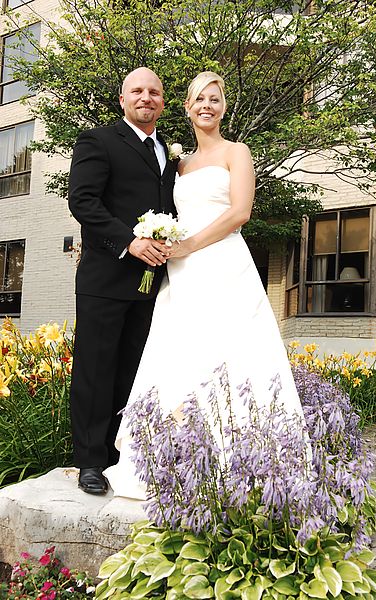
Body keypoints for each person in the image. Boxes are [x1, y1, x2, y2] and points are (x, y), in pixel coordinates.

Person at [104, 71, 306, 499]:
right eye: (199, 99)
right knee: (178, 350)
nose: (206, 106)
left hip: (222, 264)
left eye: (214, 99)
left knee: (232, 352)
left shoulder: (238, 152)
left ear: (223, 107)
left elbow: (240, 214)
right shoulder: (178, 164)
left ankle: (245, 459)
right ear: (188, 107)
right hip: (181, 273)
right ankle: (175, 457)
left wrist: (189, 244)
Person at [68, 67, 179, 495]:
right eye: (138, 91)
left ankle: (119, 455)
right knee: (96, 369)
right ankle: (90, 462)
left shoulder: (167, 152)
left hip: (152, 282)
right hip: (106, 274)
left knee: (133, 368)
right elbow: (83, 201)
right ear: (122, 99)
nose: (146, 97)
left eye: (154, 91)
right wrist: (128, 242)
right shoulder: (97, 140)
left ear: (163, 102)